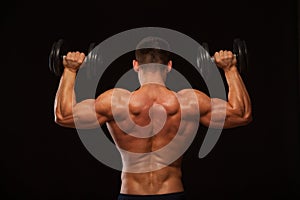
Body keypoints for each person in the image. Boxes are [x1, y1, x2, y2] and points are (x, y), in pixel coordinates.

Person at [54, 36, 252, 200]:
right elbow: (242, 114)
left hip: (130, 195)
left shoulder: (115, 102)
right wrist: (230, 69)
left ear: (135, 65)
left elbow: (63, 115)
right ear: (169, 66)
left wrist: (70, 71)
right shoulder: (189, 102)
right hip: (172, 194)